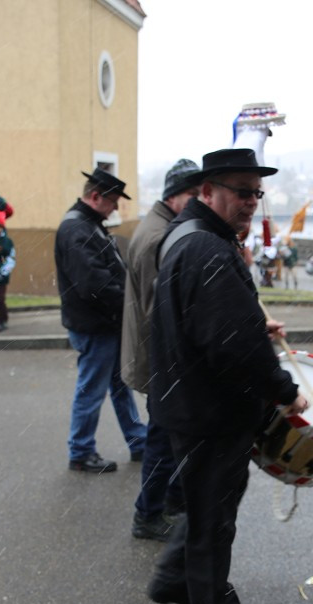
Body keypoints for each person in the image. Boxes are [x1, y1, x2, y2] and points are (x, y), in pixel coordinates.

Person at [147, 148, 308, 604]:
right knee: (215, 515)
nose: (251, 202)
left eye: (256, 192)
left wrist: (252, 321)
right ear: (207, 190)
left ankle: (177, 579)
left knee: (204, 501)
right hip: (210, 408)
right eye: (241, 191)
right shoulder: (209, 249)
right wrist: (286, 393)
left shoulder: (191, 234)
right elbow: (232, 348)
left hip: (189, 398)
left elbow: (210, 319)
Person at [120, 158, 198, 541]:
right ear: (175, 196)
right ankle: (147, 515)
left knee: (166, 438)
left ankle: (163, 504)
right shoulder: (157, 237)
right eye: (193, 195)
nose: (198, 202)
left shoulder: (160, 227)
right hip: (159, 361)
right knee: (162, 440)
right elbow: (158, 311)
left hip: (158, 360)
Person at [55, 167, 146, 473]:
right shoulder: (77, 229)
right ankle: (81, 451)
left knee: (119, 386)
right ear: (96, 197)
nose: (115, 209)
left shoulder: (86, 224)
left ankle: (138, 441)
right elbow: (94, 286)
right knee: (91, 389)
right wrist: (131, 305)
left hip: (103, 324)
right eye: (113, 201)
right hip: (96, 326)